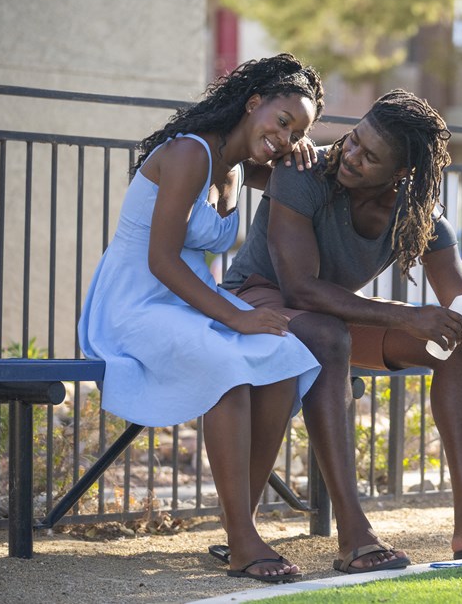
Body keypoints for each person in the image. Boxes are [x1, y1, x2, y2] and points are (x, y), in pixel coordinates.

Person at [220, 89, 462, 574]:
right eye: (354, 140)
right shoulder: (305, 172)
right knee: (329, 336)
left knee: (450, 348)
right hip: (259, 299)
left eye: (369, 156)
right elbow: (299, 288)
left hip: (328, 317)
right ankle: (354, 533)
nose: (349, 156)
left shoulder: (416, 214)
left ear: (400, 174)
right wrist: (404, 315)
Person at [78, 53, 325, 583]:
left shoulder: (237, 166)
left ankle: (243, 523)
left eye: (297, 131)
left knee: (284, 358)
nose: (285, 137)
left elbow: (307, 174)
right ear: (253, 103)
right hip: (138, 302)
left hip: (191, 302)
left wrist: (300, 153)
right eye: (283, 122)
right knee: (228, 372)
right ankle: (242, 541)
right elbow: (161, 260)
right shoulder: (190, 153)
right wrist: (236, 320)